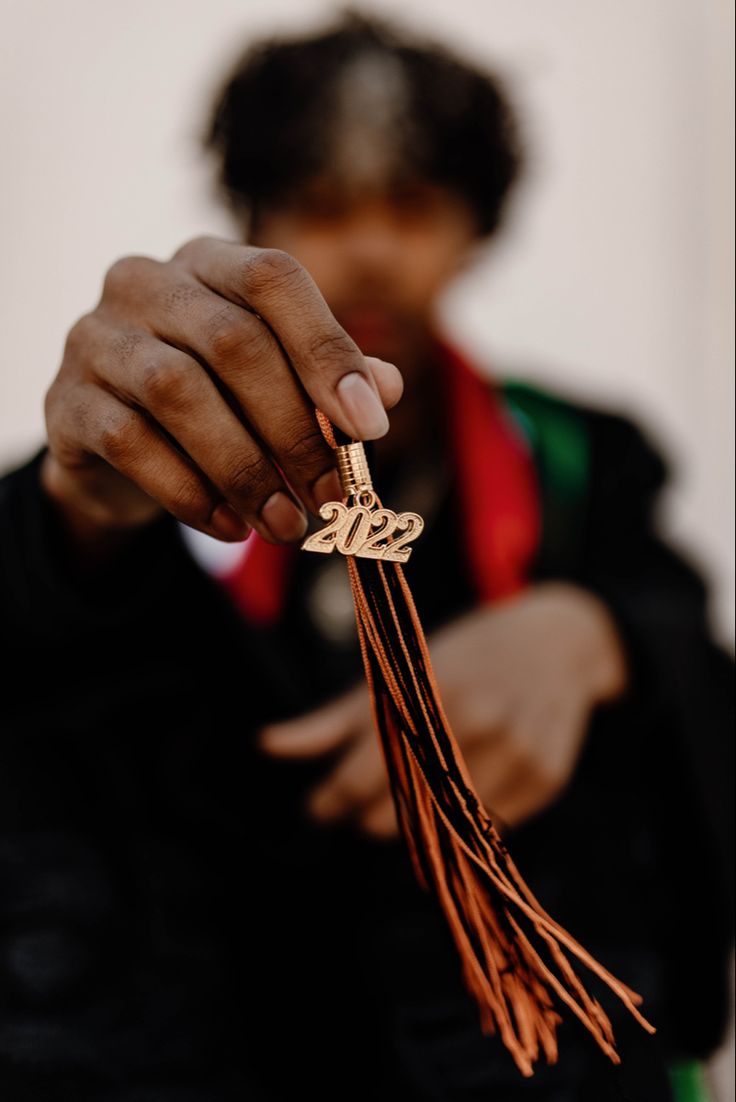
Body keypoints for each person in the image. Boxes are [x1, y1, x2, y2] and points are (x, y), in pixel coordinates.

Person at [0, 12, 732, 1102]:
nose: (374, 249)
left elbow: (684, 646)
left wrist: (592, 637)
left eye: (413, 206)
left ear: (474, 225)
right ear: (255, 217)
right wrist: (80, 503)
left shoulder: (584, 458)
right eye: (326, 208)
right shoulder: (137, 452)